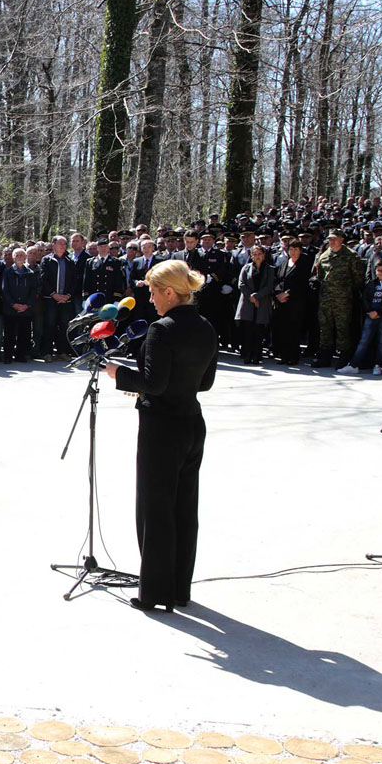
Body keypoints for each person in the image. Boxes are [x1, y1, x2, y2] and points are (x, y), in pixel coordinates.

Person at [104, 259, 217, 613]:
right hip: (191, 422)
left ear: (170, 292)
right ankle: (179, 588)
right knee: (184, 508)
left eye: (153, 292)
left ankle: (153, 591)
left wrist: (118, 374)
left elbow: (153, 382)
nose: (150, 299)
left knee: (155, 509)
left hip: (162, 426)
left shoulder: (161, 329)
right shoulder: (206, 326)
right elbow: (206, 382)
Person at [312, 229, 363, 369]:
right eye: (330, 239)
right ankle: (325, 356)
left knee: (343, 328)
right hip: (325, 299)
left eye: (335, 238)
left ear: (342, 239)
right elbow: (321, 276)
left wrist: (345, 290)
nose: (332, 241)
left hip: (343, 299)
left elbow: (358, 278)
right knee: (325, 327)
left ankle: (343, 356)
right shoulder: (324, 256)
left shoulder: (351, 256)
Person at [342, 260, 382, 375]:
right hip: (370, 316)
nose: (380, 273)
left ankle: (378, 365)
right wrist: (369, 311)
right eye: (378, 270)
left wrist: (379, 311)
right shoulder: (371, 284)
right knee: (364, 340)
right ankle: (354, 365)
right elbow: (365, 299)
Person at [270, 240, 311, 364]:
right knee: (282, 329)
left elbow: (302, 283)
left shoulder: (303, 265)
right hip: (281, 302)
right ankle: (284, 355)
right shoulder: (283, 263)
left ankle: (293, 356)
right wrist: (278, 294)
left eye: (296, 249)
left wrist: (287, 293)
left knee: (293, 329)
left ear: (300, 250)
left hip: (295, 302)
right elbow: (277, 279)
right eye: (291, 249)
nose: (293, 252)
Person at [233, 245, 275, 365]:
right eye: (255, 254)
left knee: (259, 331)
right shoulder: (246, 268)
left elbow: (269, 286)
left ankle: (257, 355)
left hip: (262, 303)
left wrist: (257, 296)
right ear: (251, 256)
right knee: (247, 331)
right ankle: (247, 355)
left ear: (264, 255)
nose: (257, 256)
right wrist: (251, 296)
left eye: (259, 254)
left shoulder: (270, 269)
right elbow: (241, 284)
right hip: (247, 303)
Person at [1, 248, 39, 363]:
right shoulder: (7, 272)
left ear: (25, 257)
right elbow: (4, 290)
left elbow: (34, 291)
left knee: (24, 333)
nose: (19, 257)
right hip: (10, 309)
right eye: (17, 255)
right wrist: (13, 304)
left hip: (25, 309)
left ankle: (20, 355)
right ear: (13, 258)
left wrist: (27, 305)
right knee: (9, 334)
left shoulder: (30, 273)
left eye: (21, 255)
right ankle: (8, 355)